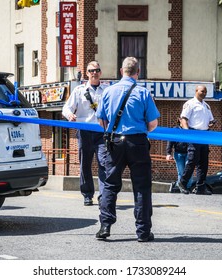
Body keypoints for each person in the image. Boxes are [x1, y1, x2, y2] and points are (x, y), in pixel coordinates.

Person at [95, 57, 160, 242]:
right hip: (137, 142)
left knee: (110, 184)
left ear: (121, 70)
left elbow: (101, 120)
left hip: (114, 142)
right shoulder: (143, 93)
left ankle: (105, 226)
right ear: (138, 72)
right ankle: (143, 231)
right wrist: (140, 131)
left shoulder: (108, 91)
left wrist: (113, 129)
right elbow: (153, 123)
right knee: (142, 186)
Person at [62, 61, 108, 206]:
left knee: (104, 163)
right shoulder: (79, 90)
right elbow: (66, 108)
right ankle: (87, 194)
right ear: (87, 73)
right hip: (85, 131)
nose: (94, 73)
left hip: (101, 132)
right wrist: (70, 115)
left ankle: (104, 196)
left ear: (100, 72)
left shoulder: (106, 91)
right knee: (85, 165)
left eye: (97, 70)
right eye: (91, 70)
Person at [176, 85, 215, 195]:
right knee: (193, 159)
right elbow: (184, 119)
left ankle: (200, 187)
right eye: (202, 91)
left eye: (205, 92)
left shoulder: (206, 106)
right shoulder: (190, 104)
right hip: (193, 133)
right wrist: (187, 133)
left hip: (204, 135)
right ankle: (182, 183)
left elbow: (211, 120)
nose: (204, 93)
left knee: (203, 162)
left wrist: (211, 123)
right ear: (196, 91)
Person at [166, 118, 193, 192]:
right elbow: (170, 141)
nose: (186, 121)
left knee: (189, 170)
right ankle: (182, 188)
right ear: (179, 120)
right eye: (184, 119)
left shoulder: (190, 129)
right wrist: (168, 153)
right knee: (181, 171)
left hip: (189, 153)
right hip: (178, 153)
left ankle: (188, 187)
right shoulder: (175, 129)